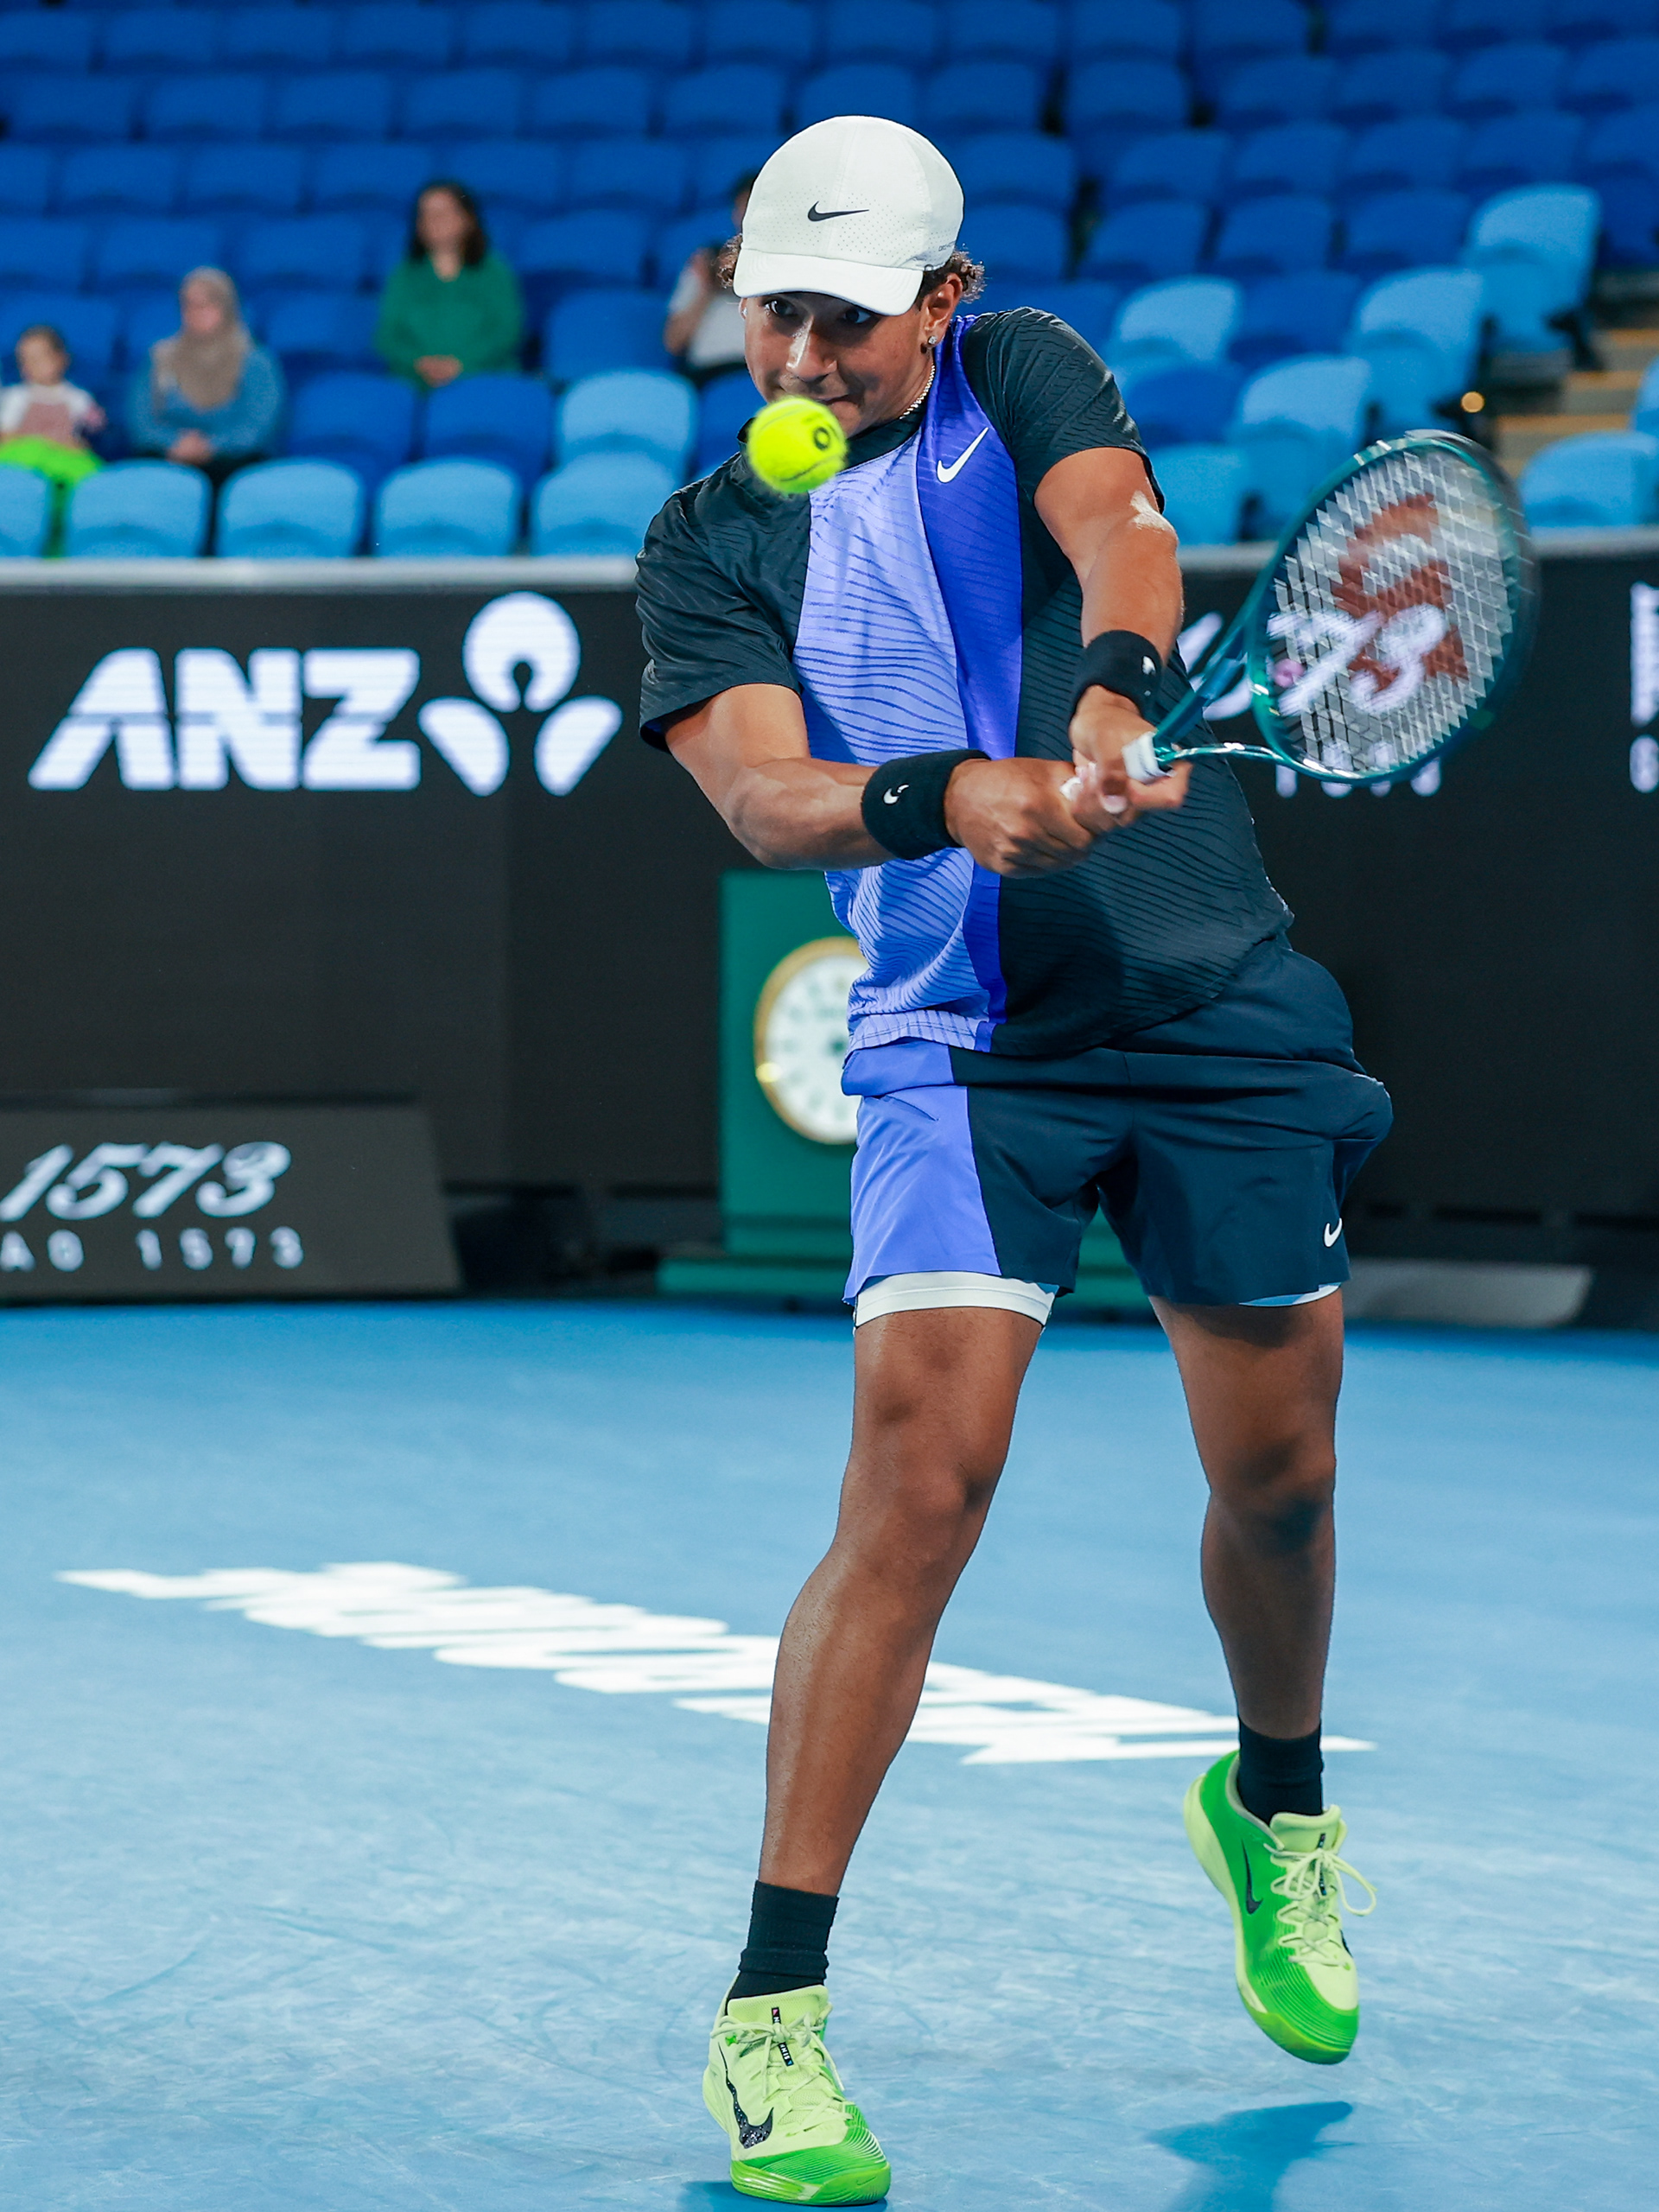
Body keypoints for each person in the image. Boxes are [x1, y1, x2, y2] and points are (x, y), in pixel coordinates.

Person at [635, 117, 1391, 2206]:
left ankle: (1276, 1806)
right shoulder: (712, 542)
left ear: (943, 299)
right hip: (957, 1045)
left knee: (1281, 1474)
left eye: (847, 321)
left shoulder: (1024, 370)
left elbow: (1119, 531)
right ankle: (773, 2013)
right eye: (776, 314)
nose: (803, 358)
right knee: (920, 1483)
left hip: (1212, 1003)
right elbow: (764, 799)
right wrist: (948, 795)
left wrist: (1124, 693)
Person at [126, 268, 283, 487]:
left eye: (206, 305)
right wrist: (175, 443)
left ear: (227, 308)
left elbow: (256, 427)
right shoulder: (160, 358)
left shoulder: (255, 362)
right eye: (188, 305)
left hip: (232, 463)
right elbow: (142, 423)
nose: (195, 313)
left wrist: (211, 446)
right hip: (170, 457)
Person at [375, 179, 524, 390]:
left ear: (468, 219)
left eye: (443, 213)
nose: (433, 221)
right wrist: (420, 364)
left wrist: (462, 365)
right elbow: (387, 337)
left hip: (484, 382)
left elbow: (507, 331)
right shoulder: (403, 275)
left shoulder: (495, 272)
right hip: (415, 385)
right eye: (425, 214)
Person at [664, 174, 755, 383]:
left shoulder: (791, 266)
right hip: (708, 372)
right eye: (743, 206)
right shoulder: (707, 261)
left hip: (762, 372)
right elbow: (673, 342)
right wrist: (708, 287)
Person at [0, 323, 105, 502]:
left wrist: (77, 444)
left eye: (39, 358)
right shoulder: (15, 396)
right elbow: (6, 436)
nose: (31, 365)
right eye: (24, 360)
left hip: (62, 460)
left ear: (61, 359)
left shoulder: (79, 398)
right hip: (26, 459)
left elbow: (89, 436)